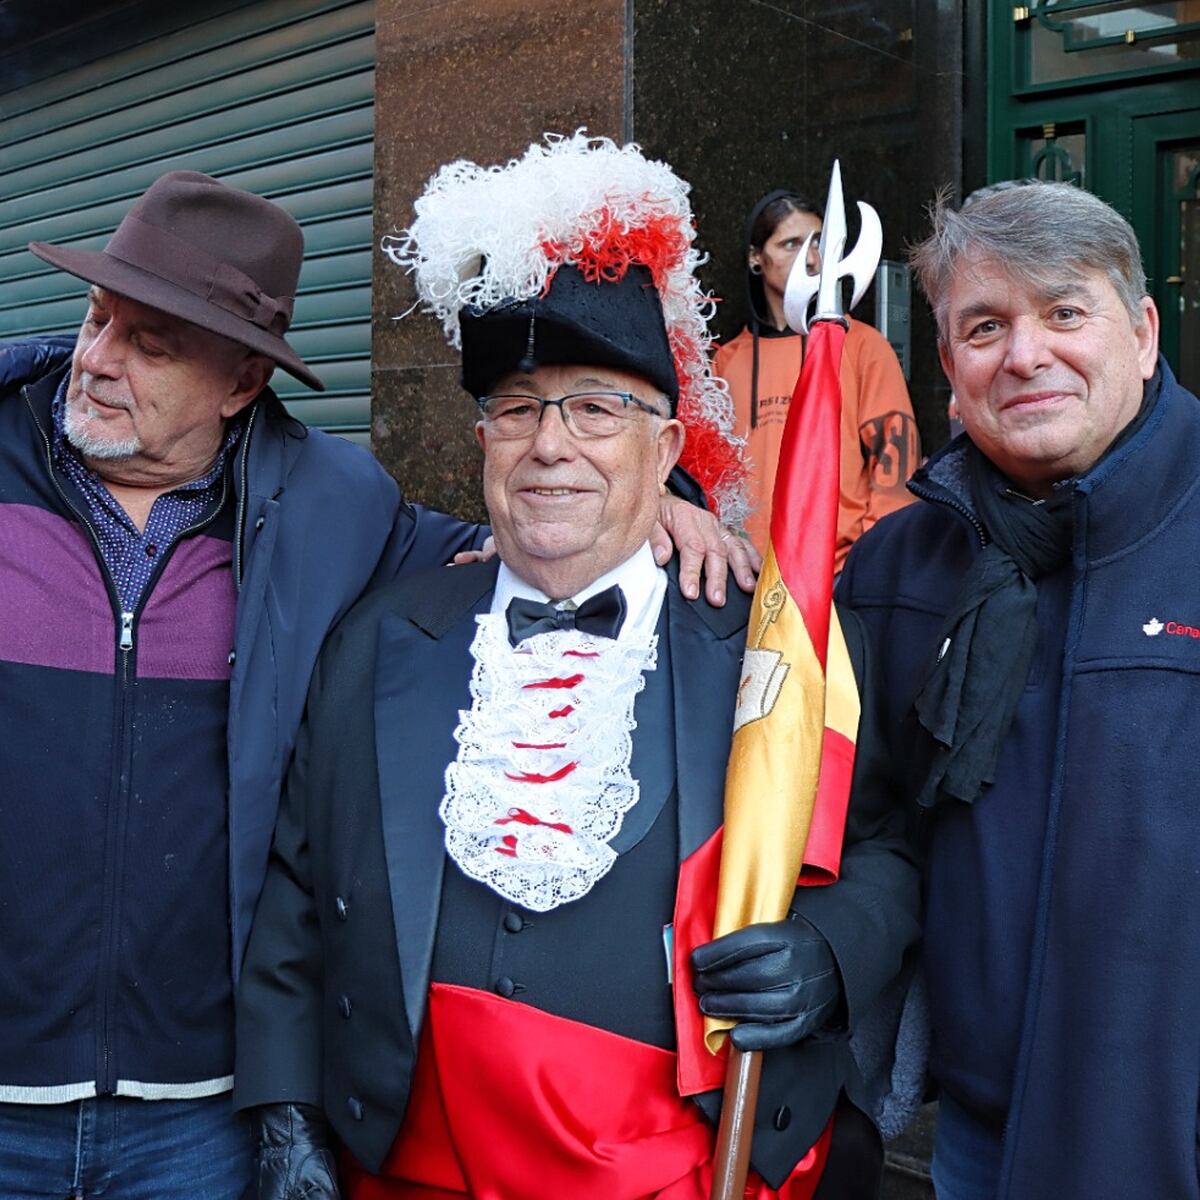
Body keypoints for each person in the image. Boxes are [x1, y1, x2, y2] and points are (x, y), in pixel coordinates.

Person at [0, 169, 748, 1200]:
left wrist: (665, 500)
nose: (98, 359)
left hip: (198, 1112)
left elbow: (533, 531)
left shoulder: (334, 507)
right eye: (97, 319)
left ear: (240, 384)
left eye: (150, 342)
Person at [233, 133, 920, 1200]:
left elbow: (884, 850)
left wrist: (831, 956)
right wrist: (284, 1114)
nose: (550, 444)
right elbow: (294, 893)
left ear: (666, 447)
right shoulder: (379, 636)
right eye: (516, 409)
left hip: (685, 1169)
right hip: (405, 1173)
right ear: (483, 445)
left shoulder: (769, 642)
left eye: (597, 409)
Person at [837, 179, 1197, 1199]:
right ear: (948, 368)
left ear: (1142, 331)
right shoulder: (895, 571)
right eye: (985, 326)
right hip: (976, 1143)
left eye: (1065, 312)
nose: (1025, 354)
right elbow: (868, 841)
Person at [713, 190, 920, 568]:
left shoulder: (861, 345)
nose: (811, 259)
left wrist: (869, 558)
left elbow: (895, 459)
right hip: (746, 571)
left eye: (819, 244)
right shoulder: (726, 362)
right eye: (792, 244)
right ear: (756, 258)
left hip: (839, 570)